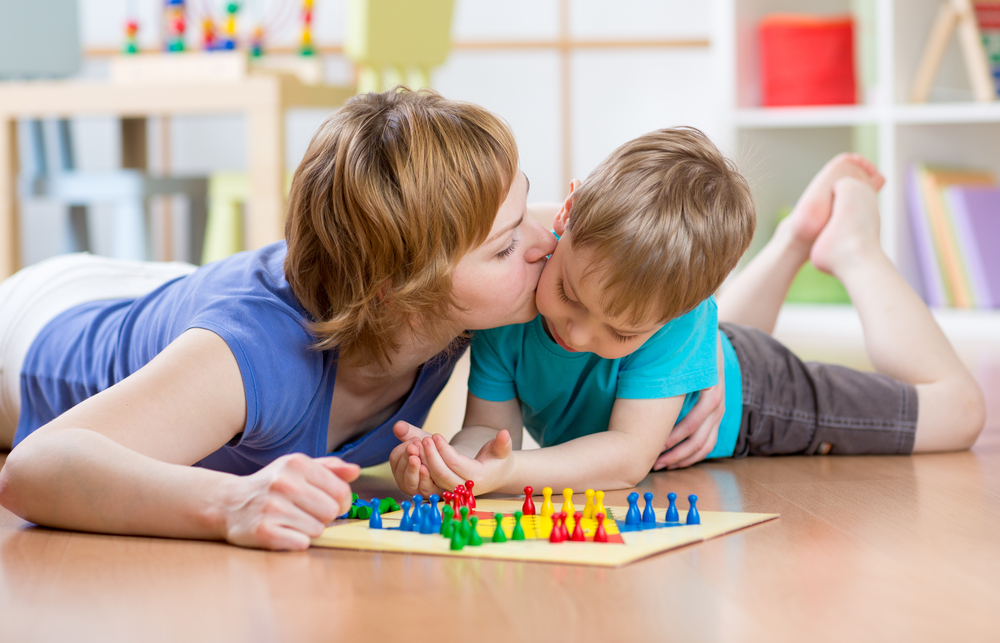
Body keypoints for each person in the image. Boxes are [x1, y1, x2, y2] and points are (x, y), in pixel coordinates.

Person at [0, 89, 563, 550]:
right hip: (36, 331)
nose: (546, 242)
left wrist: (652, 412)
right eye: (505, 246)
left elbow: (610, 250)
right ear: (401, 290)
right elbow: (32, 470)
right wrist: (231, 503)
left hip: (167, 292)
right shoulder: (260, 354)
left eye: (525, 207)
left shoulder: (462, 268)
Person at [390, 128, 986, 496]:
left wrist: (507, 474)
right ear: (564, 219)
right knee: (709, 335)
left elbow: (627, 459)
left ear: (682, 312)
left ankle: (853, 248)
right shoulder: (513, 301)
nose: (577, 333)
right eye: (569, 294)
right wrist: (453, 464)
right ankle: (796, 238)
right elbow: (487, 433)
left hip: (757, 398)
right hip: (700, 346)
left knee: (959, 414)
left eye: (621, 332)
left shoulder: (674, 318)